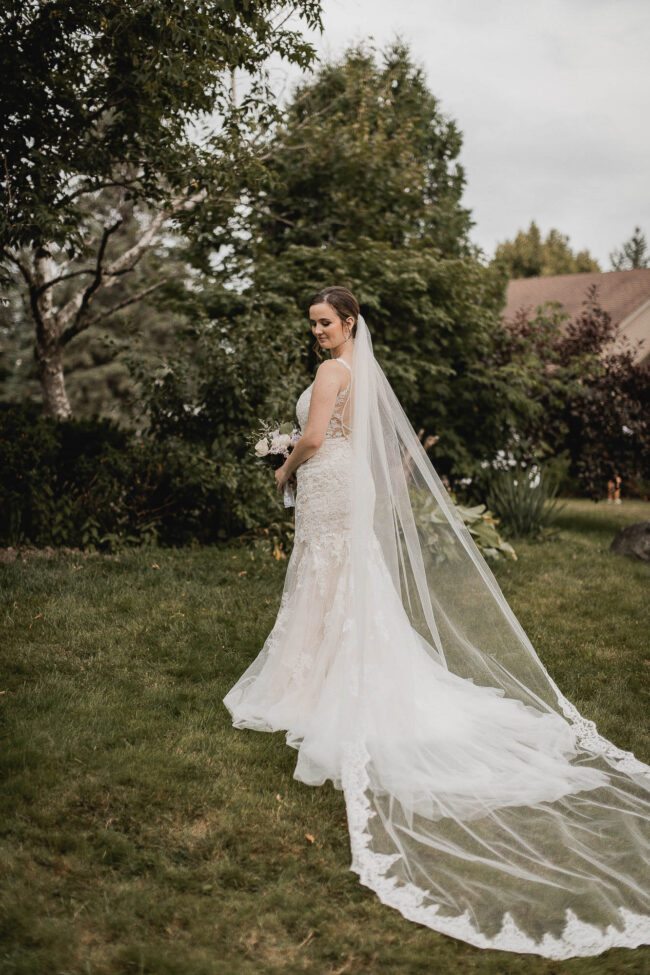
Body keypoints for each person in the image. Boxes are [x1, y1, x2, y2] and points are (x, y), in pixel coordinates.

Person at [223, 286, 650, 959]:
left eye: (325, 322)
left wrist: (282, 468)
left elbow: (313, 436)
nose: (317, 332)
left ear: (349, 323)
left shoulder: (334, 372)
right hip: (343, 485)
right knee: (338, 583)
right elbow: (339, 434)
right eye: (311, 323)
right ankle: (323, 669)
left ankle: (310, 681)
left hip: (328, 485)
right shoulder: (359, 371)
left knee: (324, 580)